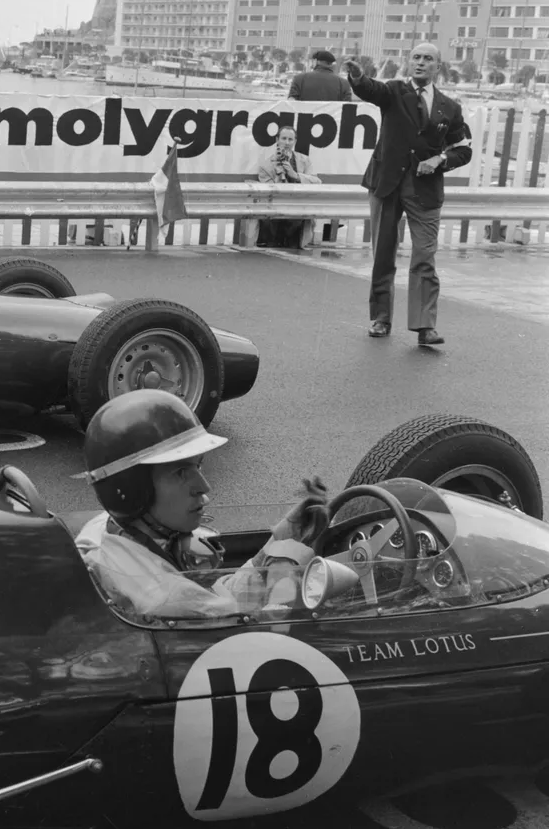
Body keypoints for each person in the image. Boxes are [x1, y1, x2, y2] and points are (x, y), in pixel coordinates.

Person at [73, 390, 329, 620]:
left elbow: (220, 600)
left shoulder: (106, 530)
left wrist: (281, 540)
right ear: (131, 489)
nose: (203, 486)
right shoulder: (167, 599)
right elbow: (264, 632)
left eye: (198, 466)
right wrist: (285, 565)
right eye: (180, 473)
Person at [345, 43, 472, 346]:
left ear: (437, 67)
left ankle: (424, 326)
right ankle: (380, 318)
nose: (420, 63)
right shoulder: (393, 91)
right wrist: (358, 79)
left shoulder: (450, 108)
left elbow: (463, 150)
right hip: (386, 185)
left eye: (428, 59)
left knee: (424, 256)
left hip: (425, 191)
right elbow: (370, 89)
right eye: (416, 57)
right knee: (383, 255)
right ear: (408, 62)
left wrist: (440, 160)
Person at [255, 125, 322, 249]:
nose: (287, 143)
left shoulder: (305, 160)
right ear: (277, 140)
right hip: (275, 210)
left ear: (295, 141)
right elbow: (267, 192)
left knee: (298, 220)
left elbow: (317, 182)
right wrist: (279, 175)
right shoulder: (266, 165)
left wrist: (296, 175)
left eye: (290, 139)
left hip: (298, 207)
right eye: (283, 138)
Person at [288, 49, 354, 102]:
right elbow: (347, 107)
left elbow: (291, 102)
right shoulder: (344, 83)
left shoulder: (299, 79)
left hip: (305, 118)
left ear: (316, 61)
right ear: (331, 64)